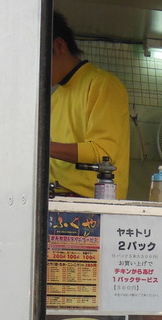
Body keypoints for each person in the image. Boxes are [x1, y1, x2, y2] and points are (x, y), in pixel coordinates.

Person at [49, 11, 131, 198]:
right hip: (55, 198)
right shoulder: (54, 98)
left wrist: (43, 147)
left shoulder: (103, 84)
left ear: (59, 46)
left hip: (92, 203)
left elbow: (103, 152)